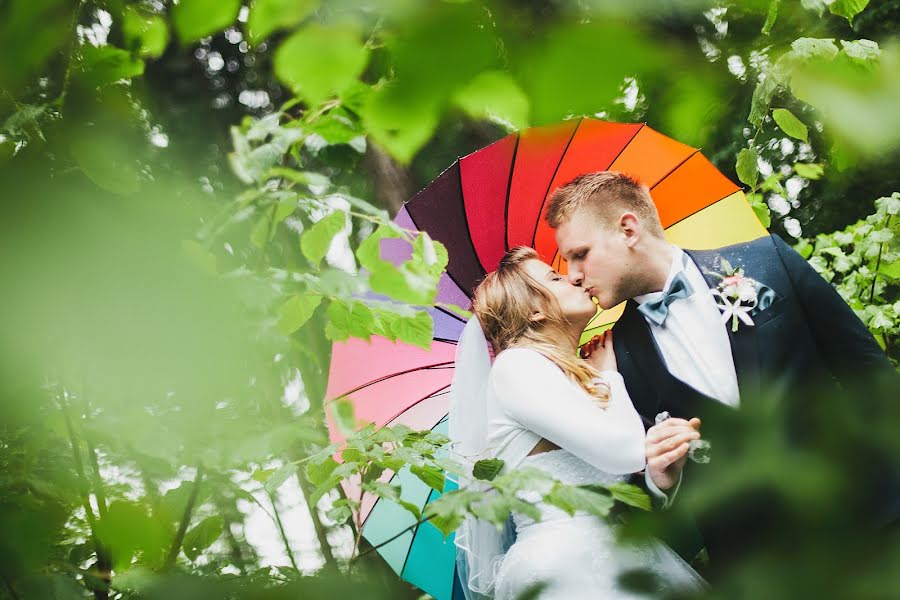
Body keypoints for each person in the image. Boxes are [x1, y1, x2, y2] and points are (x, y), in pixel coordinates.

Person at [547, 170, 895, 575]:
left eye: (580, 253)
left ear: (628, 229)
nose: (572, 274)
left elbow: (867, 371)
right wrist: (661, 480)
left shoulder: (768, 262)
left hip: (872, 519)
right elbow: (638, 499)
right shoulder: (614, 359)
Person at [448, 246, 707, 600]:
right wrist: (609, 377)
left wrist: (660, 479)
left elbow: (616, 481)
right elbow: (627, 452)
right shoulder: (515, 367)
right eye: (554, 278)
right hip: (564, 568)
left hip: (625, 553)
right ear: (534, 309)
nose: (572, 277)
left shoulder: (571, 374)